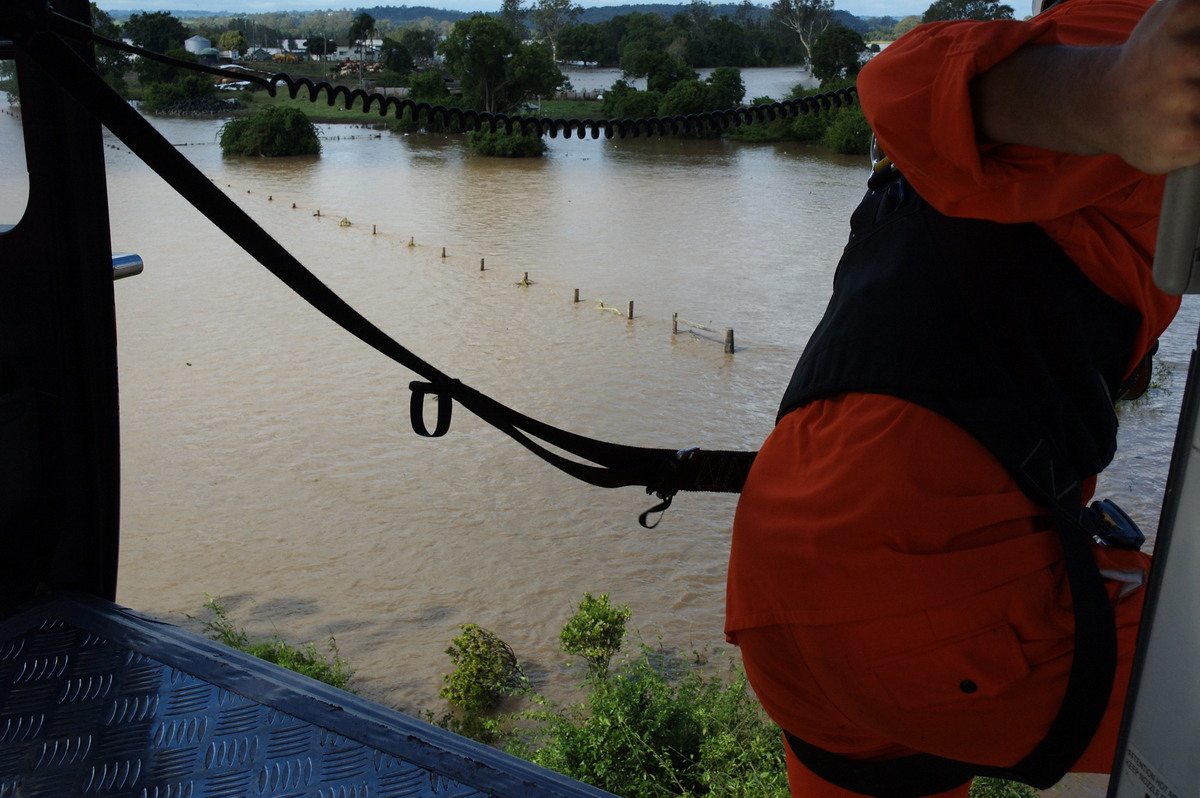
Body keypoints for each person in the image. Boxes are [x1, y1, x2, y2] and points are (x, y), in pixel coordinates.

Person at [724, 0, 1198, 794]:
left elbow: (908, 81)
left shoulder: (1043, 80)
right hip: (938, 592)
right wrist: (1110, 92)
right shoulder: (1142, 42)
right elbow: (899, 78)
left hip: (776, 585)